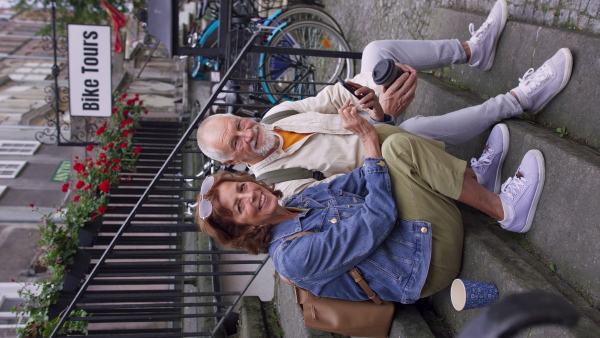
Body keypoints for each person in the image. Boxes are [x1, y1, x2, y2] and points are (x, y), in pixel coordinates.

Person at [196, 0, 572, 204]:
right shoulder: (277, 187)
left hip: (375, 123)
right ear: (232, 162)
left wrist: (372, 92)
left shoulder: (275, 116)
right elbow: (358, 185)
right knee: (408, 132)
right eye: (236, 142)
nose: (247, 133)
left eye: (240, 124)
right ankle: (517, 100)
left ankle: (472, 50)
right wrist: (382, 121)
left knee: (377, 53)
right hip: (388, 165)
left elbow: (332, 96)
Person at [195, 101, 546, 302]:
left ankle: (474, 182)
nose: (250, 196)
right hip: (424, 265)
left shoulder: (295, 203)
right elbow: (376, 219)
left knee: (387, 145)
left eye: (241, 190)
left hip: (411, 239)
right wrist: (370, 146)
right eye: (240, 208)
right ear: (243, 230)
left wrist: (369, 137)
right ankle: (506, 211)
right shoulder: (291, 257)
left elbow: (360, 180)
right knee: (388, 148)